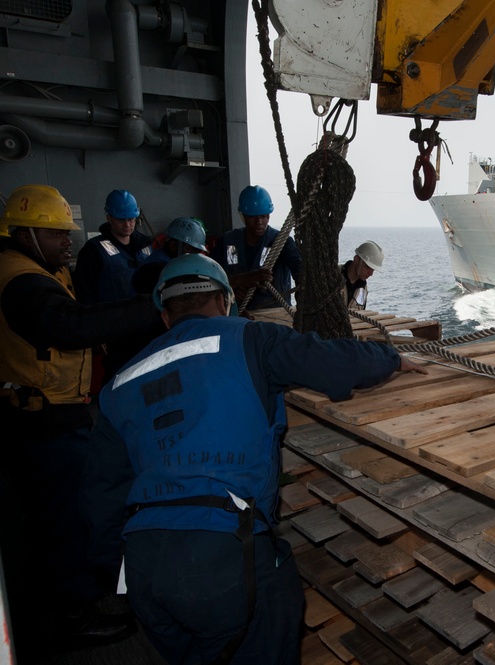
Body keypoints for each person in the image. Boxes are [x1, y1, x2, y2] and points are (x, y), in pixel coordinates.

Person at [96, 253, 426, 664]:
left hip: (144, 566)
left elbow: (101, 499)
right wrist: (392, 358)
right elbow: (333, 361)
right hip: (223, 555)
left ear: (165, 315)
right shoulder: (249, 339)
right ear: (225, 301)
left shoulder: (116, 385)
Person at [0, 184, 161, 656]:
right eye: (55, 235)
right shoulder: (23, 282)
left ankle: (79, 599)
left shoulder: (35, 269)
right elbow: (72, 326)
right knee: (67, 518)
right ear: (26, 234)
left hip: (53, 413)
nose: (67, 241)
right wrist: (157, 306)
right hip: (44, 423)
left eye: (67, 233)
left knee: (62, 515)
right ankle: (73, 619)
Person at [211, 184, 301, 310]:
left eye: (263, 216)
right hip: (237, 313)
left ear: (269, 216)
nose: (259, 222)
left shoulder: (282, 242)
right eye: (253, 217)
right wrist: (232, 289)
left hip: (274, 314)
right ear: (243, 216)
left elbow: (300, 270)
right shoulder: (228, 241)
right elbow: (210, 277)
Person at [73, 189, 153, 304]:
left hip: (145, 315)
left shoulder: (146, 246)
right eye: (120, 220)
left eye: (131, 219)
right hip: (111, 317)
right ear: (109, 218)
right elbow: (85, 291)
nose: (127, 225)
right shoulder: (93, 249)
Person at [132, 216, 208, 294]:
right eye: (189, 249)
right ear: (173, 245)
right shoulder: (157, 270)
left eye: (196, 251)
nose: (193, 255)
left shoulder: (171, 261)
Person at [342, 240, 384, 308]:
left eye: (373, 269)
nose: (371, 273)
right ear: (356, 260)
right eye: (367, 267)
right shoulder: (333, 276)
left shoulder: (363, 289)